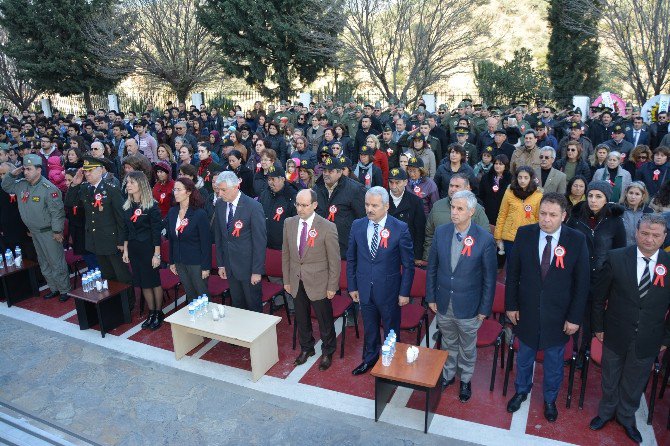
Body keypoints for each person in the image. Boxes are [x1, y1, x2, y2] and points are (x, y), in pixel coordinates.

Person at [505, 193, 590, 422]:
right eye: (542, 213)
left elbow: (582, 284)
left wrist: (574, 318)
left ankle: (550, 399)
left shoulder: (576, 240)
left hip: (559, 316)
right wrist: (511, 306)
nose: (546, 219)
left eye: (552, 215)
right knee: (524, 357)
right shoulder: (524, 234)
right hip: (527, 312)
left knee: (554, 362)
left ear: (563, 216)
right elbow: (512, 274)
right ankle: (521, 391)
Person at [590, 214, 670, 443]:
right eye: (645, 233)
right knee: (610, 377)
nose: (649, 239)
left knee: (634, 382)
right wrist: (598, 327)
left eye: (656, 235)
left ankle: (626, 417)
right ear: (636, 233)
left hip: (649, 337)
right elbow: (599, 297)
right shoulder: (616, 258)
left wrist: (666, 338)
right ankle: (605, 413)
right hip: (615, 332)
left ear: (664, 237)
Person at [426, 190, 497, 402]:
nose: (454, 213)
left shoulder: (484, 240)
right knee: (448, 342)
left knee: (467, 346)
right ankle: (448, 375)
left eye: (460, 209)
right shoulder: (441, 232)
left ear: (472, 212)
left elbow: (489, 279)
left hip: (469, 307)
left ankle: (465, 379)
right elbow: (432, 269)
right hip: (443, 302)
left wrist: (484, 310)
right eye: (452, 208)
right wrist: (431, 297)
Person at [346, 187, 415, 375]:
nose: (369, 209)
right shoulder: (357, 225)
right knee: (369, 329)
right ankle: (369, 359)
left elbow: (408, 265)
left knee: (392, 331)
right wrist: (352, 286)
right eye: (367, 204)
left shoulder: (400, 228)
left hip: (390, 292)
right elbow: (351, 258)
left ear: (386, 206)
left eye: (374, 205)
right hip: (364, 289)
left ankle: (393, 364)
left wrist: (404, 292)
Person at [282, 189, 340, 371]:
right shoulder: (289, 223)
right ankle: (307, 348)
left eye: (304, 205)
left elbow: (334, 260)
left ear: (314, 205)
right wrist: (287, 280)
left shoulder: (327, 227)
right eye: (297, 204)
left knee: (324, 319)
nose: (300, 209)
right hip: (296, 279)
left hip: (319, 283)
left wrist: (332, 286)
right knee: (301, 317)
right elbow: (286, 254)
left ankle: (328, 350)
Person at [65, 156, 133, 308]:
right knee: (107, 275)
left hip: (112, 241)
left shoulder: (111, 189)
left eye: (90, 171)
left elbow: (121, 218)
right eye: (85, 171)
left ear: (100, 171)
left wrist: (122, 242)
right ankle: (115, 302)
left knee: (121, 275)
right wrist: (75, 184)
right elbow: (69, 203)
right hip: (96, 240)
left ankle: (128, 303)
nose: (87, 174)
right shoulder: (84, 188)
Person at [566, 181, 626, 354]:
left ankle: (586, 348)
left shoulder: (615, 221)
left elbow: (619, 251)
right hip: (577, 274)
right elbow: (566, 242)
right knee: (576, 310)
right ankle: (573, 348)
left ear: (606, 199)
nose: (593, 200)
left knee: (593, 315)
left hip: (601, 276)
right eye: (591, 195)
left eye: (598, 197)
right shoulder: (576, 216)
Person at [1, 155, 71, 301]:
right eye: (24, 169)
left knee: (56, 262)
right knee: (43, 262)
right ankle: (53, 288)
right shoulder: (21, 184)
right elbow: (6, 186)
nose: (25, 172)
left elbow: (57, 212)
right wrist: (12, 173)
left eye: (29, 169)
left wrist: (58, 231)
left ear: (39, 170)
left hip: (49, 232)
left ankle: (64, 290)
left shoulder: (49, 188)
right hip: (34, 232)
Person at [213, 171, 266, 312]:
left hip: (249, 269)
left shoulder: (253, 207)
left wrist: (257, 271)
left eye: (224, 190)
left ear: (236, 186)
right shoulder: (220, 205)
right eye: (219, 190)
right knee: (237, 306)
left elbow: (260, 242)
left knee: (253, 307)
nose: (220, 194)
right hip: (230, 267)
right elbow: (219, 237)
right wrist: (221, 264)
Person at [122, 172, 163, 329]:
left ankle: (158, 313)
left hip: (148, 249)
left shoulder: (152, 206)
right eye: (127, 183)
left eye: (132, 182)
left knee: (153, 281)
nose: (128, 185)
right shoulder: (127, 206)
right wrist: (125, 251)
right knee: (142, 283)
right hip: (134, 249)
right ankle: (151, 312)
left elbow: (156, 232)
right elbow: (126, 230)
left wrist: (157, 255)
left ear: (141, 185)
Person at [422, 174, 490, 264]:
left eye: (457, 186)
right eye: (451, 185)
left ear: (467, 188)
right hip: (440, 261)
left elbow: (485, 238)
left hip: (466, 262)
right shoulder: (437, 206)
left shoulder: (476, 209)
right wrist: (428, 258)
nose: (453, 189)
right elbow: (429, 234)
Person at [166, 178, 211, 304]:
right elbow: (172, 240)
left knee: (202, 296)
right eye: (174, 189)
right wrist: (172, 261)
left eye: (179, 189)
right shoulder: (172, 212)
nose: (175, 192)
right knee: (190, 296)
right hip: (180, 261)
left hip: (196, 263)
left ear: (189, 192)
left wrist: (206, 267)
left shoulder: (199, 214)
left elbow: (206, 243)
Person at [314, 156, 366, 259]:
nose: (326, 174)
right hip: (319, 246)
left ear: (339, 172)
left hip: (343, 248)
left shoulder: (355, 189)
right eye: (324, 170)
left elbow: (362, 219)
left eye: (330, 171)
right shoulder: (316, 188)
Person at [494, 166, 542, 260]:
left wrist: (536, 237)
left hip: (528, 238)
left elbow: (538, 219)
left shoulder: (538, 195)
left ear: (531, 179)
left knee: (525, 267)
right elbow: (502, 214)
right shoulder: (509, 192)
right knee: (511, 266)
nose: (522, 180)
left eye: (526, 177)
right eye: (520, 177)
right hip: (509, 237)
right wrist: (498, 236)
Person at [388, 167, 426, 263]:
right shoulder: (382, 199)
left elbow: (419, 230)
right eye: (391, 182)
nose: (393, 186)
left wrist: (418, 255)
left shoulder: (415, 201)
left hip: (406, 250)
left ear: (405, 182)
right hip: (385, 248)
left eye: (397, 182)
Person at [259, 166, 297, 250]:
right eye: (269, 179)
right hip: (264, 245)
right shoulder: (265, 194)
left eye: (273, 179)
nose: (270, 183)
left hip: (282, 247)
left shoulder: (291, 196)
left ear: (282, 179)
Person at [478, 154, 511, 225]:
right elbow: (480, 195)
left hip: (503, 212)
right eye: (496, 163)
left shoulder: (511, 179)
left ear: (506, 166)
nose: (497, 166)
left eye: (500, 164)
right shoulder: (486, 177)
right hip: (487, 211)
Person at [620, 181, 653, 247]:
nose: (633, 197)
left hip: (640, 250)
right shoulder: (618, 211)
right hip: (620, 250)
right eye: (631, 193)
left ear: (643, 196)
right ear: (626, 194)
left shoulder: (649, 213)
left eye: (637, 194)